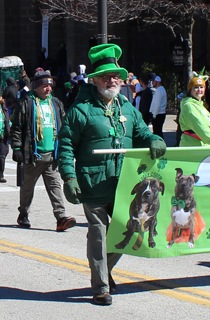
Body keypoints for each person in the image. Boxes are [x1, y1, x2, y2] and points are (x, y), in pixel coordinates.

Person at [57, 44, 166, 305]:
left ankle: (104, 271)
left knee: (128, 231)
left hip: (124, 183)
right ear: (94, 80)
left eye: (116, 76)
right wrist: (69, 177)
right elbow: (67, 144)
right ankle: (100, 288)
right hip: (93, 183)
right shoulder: (80, 110)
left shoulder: (126, 108)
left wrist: (154, 139)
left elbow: (141, 133)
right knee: (97, 233)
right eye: (106, 76)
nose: (113, 81)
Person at [10, 70, 76, 231]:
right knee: (27, 188)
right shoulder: (27, 103)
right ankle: (23, 213)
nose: (48, 89)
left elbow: (64, 126)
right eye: (44, 86)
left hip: (52, 156)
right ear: (36, 87)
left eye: (50, 86)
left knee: (55, 186)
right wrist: (17, 147)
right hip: (33, 155)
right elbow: (17, 127)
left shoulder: (56, 103)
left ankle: (61, 217)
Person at [178, 71, 210, 147]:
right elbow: (200, 127)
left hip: (204, 146)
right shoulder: (189, 106)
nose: (199, 90)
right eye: (196, 87)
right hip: (194, 148)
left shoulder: (199, 104)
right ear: (190, 90)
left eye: (201, 87)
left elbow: (208, 122)